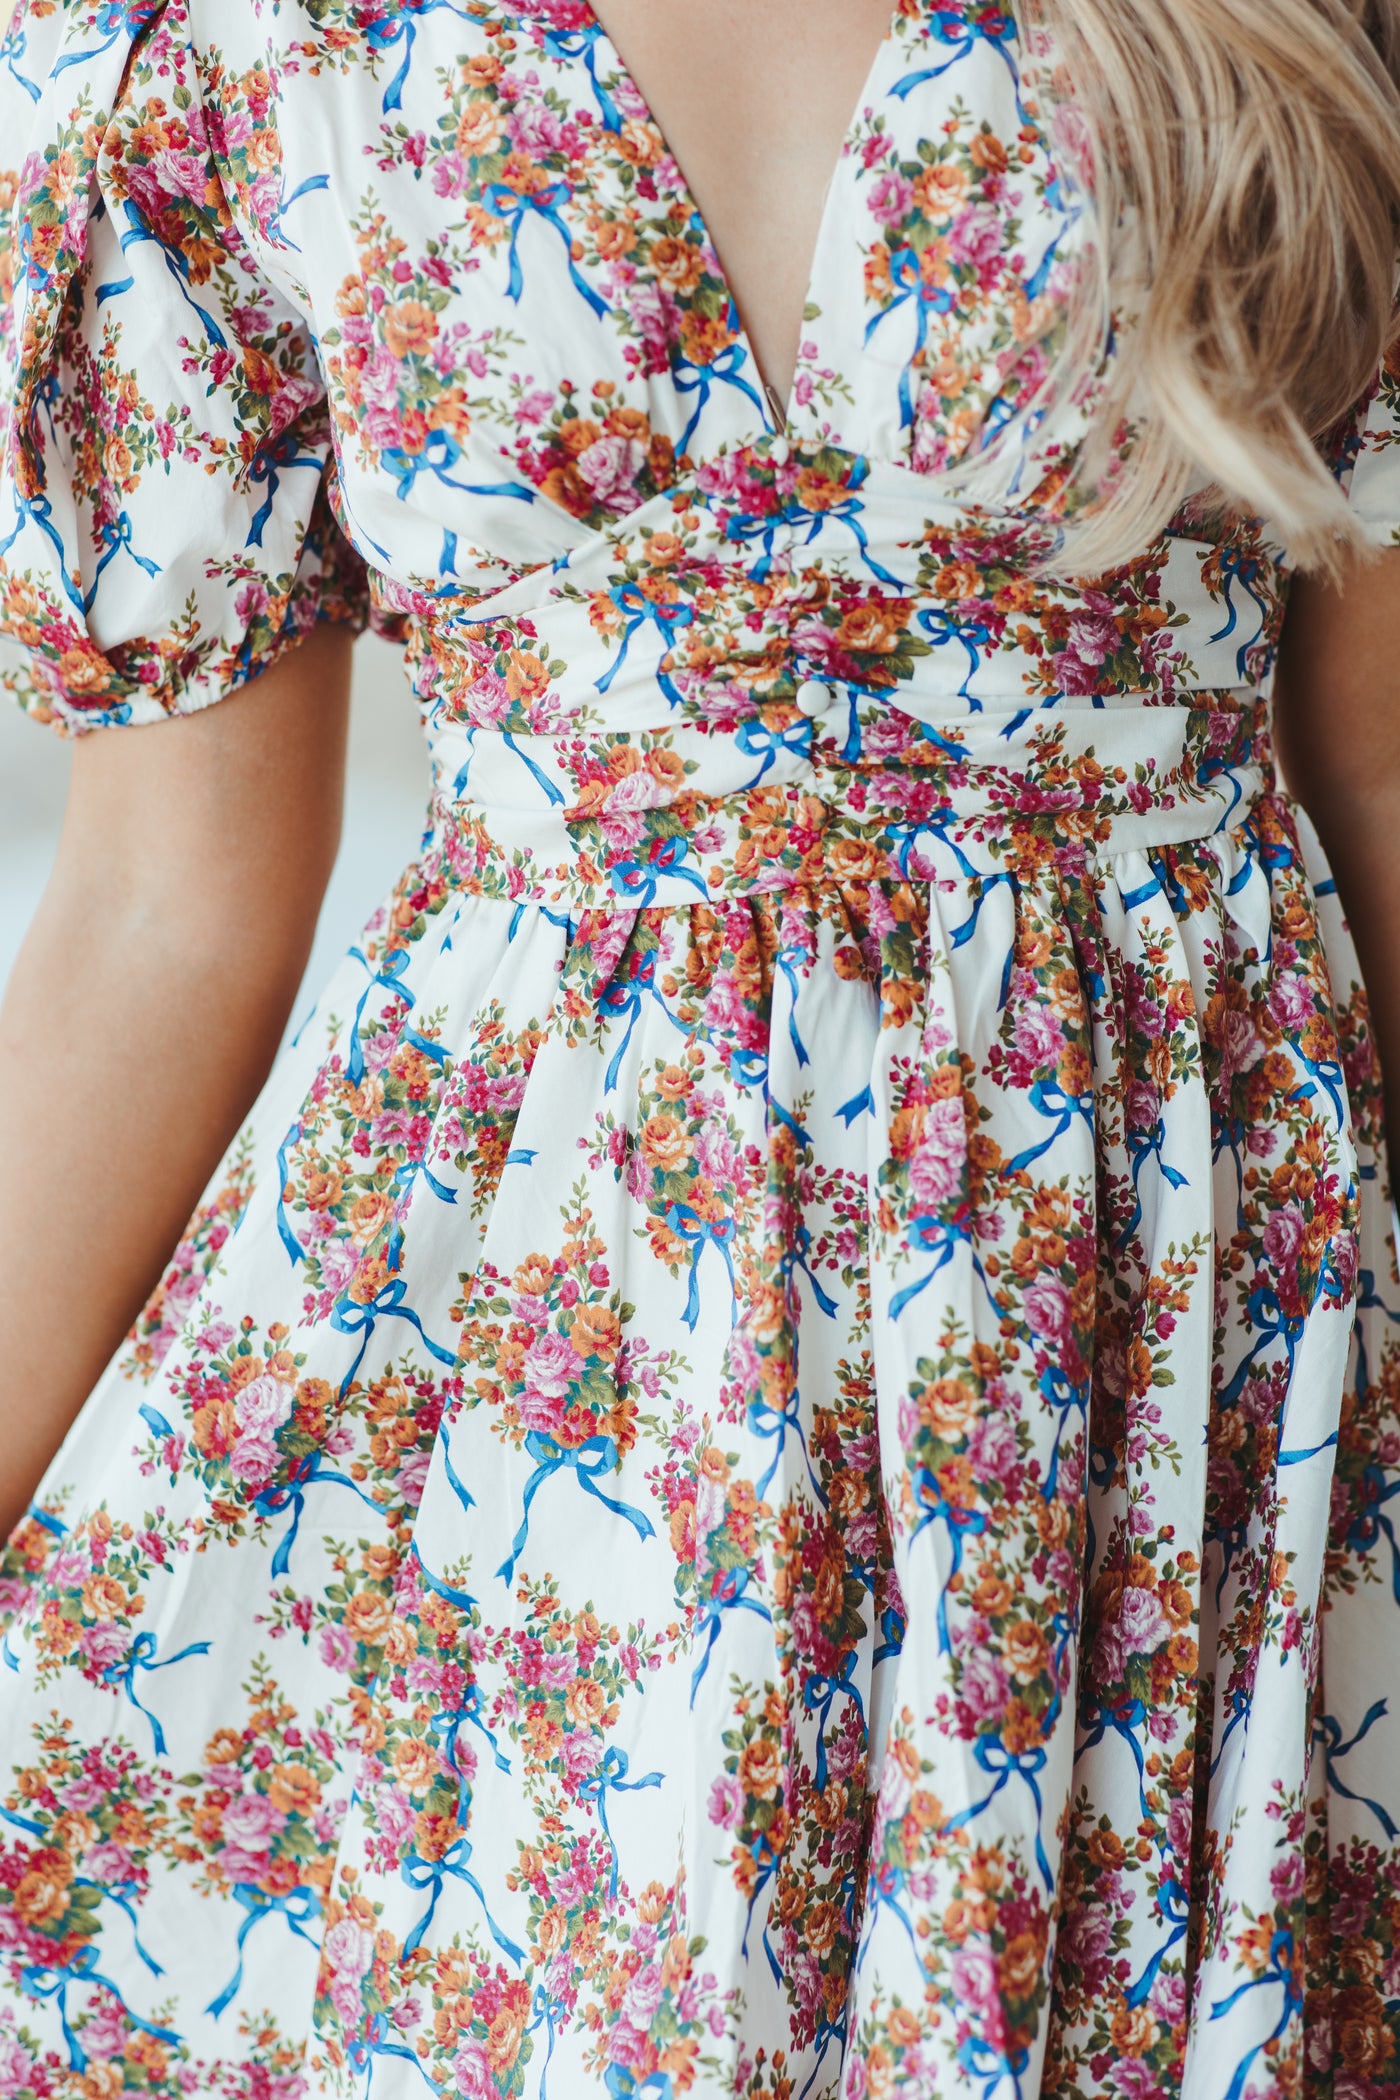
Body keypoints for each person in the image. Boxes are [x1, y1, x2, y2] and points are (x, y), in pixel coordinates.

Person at [1, 0, 1399, 2091]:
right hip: (533, 1370)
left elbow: (1372, 779)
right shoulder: (191, 33)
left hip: (1151, 1336)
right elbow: (165, 909)